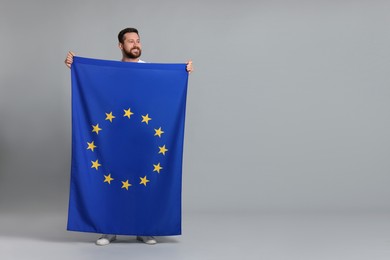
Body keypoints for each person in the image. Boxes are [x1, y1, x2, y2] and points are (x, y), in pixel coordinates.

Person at [64, 27, 193, 246]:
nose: (135, 45)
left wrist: (183, 72)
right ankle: (108, 229)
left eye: (138, 41)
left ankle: (144, 228)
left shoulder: (150, 71)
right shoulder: (110, 72)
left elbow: (164, 94)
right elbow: (93, 85)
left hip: (144, 141)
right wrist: (75, 65)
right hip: (114, 140)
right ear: (120, 45)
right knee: (112, 183)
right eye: (130, 41)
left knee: (142, 183)